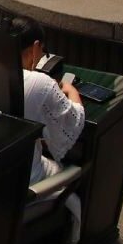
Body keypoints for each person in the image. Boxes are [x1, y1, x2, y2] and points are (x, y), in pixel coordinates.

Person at [8, 16, 85, 185]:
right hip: (27, 179)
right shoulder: (40, 83)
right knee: (78, 181)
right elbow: (74, 121)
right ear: (36, 47)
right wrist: (71, 91)